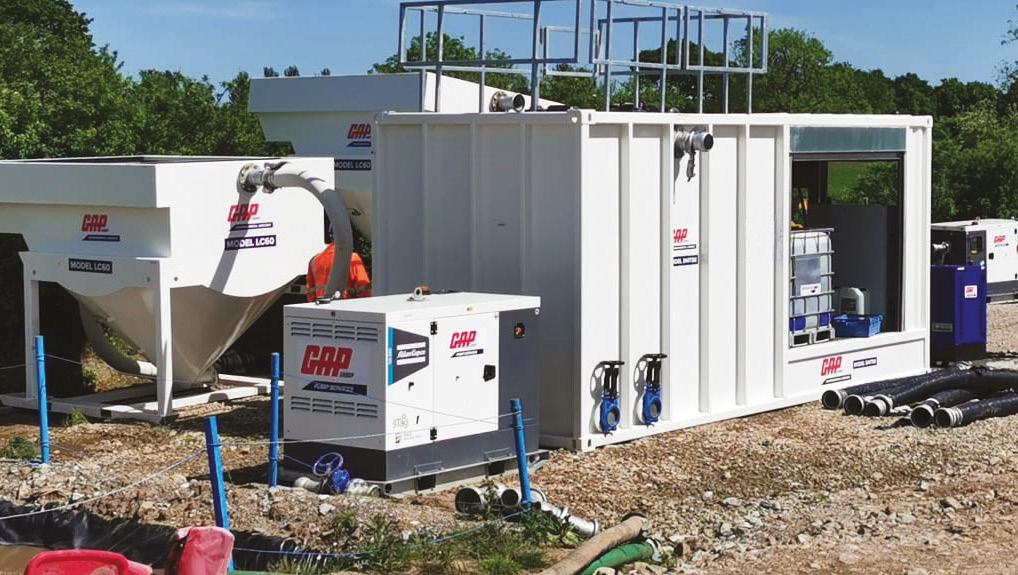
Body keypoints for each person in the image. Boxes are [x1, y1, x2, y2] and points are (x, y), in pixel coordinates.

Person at [306, 243, 372, 302]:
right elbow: (365, 291)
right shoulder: (352, 258)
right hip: (345, 307)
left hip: (323, 307)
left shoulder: (314, 260)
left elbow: (310, 293)